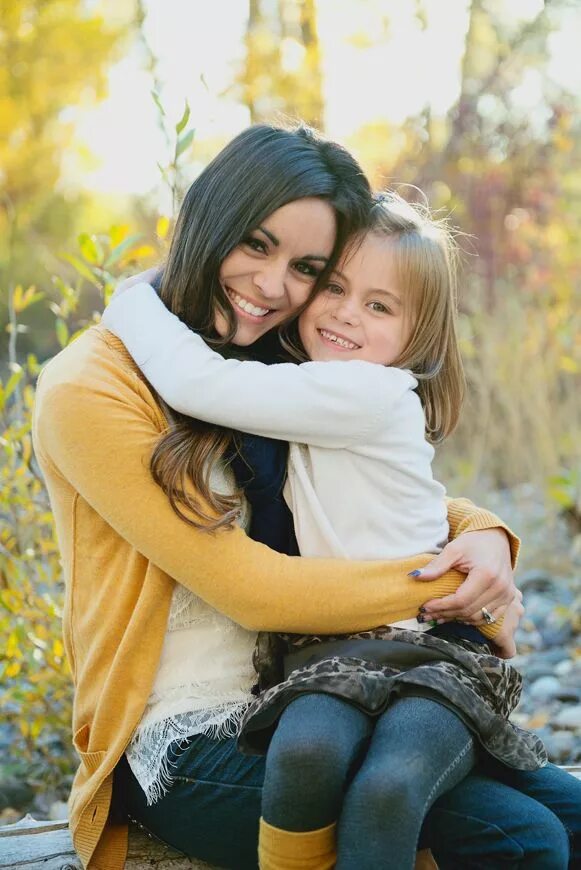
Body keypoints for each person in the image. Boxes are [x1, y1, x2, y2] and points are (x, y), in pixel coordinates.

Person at [32, 124, 580, 870]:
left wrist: (481, 533)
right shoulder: (88, 386)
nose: (272, 286)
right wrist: (456, 591)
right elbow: (251, 591)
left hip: (330, 684)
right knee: (519, 837)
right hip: (186, 736)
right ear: (205, 220)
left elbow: (372, 485)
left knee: (569, 816)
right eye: (255, 245)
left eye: (306, 268)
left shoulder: (268, 345)